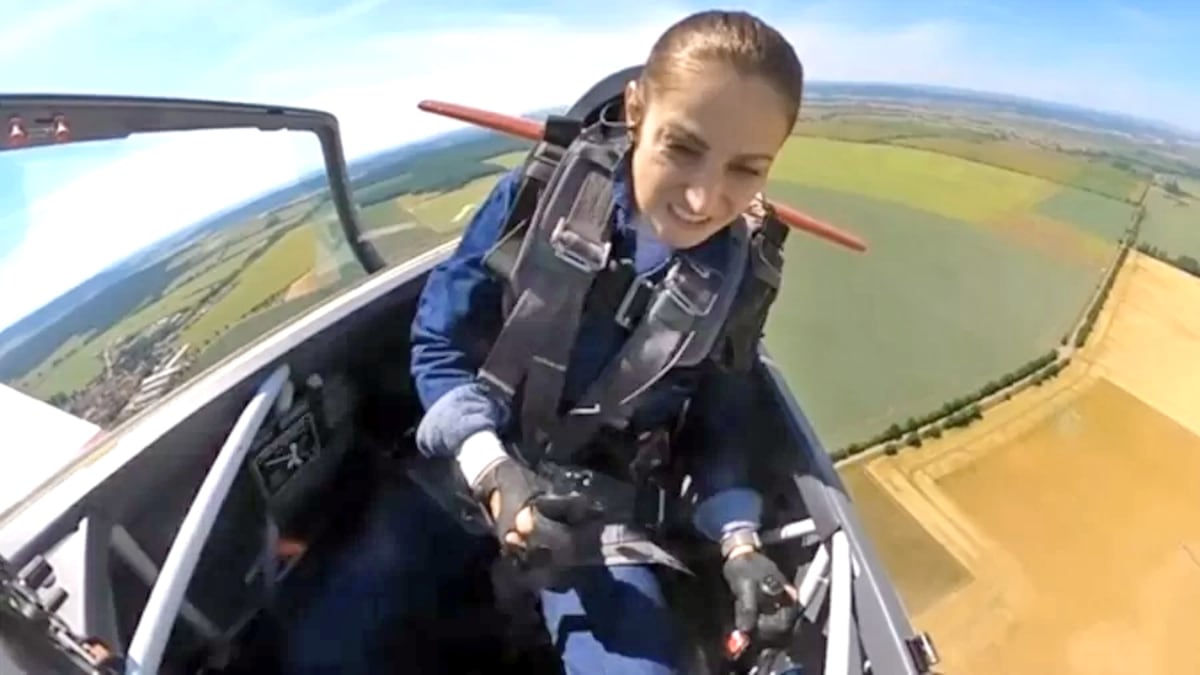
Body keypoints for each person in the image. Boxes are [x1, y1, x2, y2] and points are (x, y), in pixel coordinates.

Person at [276, 9, 806, 675]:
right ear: (637, 110)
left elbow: (723, 420)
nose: (704, 198)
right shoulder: (533, 206)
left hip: (597, 518)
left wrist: (739, 543)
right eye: (683, 147)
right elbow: (440, 344)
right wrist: (495, 474)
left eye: (746, 169)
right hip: (467, 476)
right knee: (314, 652)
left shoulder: (735, 280)